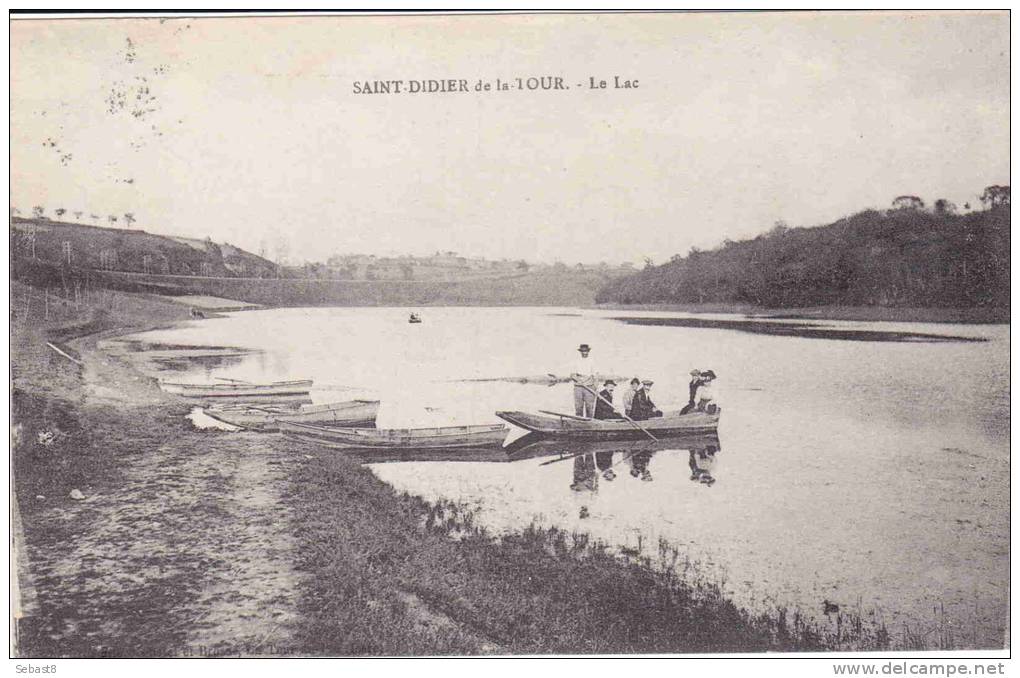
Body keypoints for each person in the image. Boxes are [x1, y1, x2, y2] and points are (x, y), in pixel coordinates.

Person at [570, 343, 597, 417]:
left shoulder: (592, 361)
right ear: (580, 352)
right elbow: (572, 375)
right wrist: (580, 381)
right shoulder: (576, 361)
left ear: (588, 351)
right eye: (583, 351)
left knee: (590, 407)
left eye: (586, 351)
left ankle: (590, 423)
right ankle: (579, 423)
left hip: (589, 386)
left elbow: (595, 375)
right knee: (578, 407)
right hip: (578, 386)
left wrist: (595, 387)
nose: (584, 353)